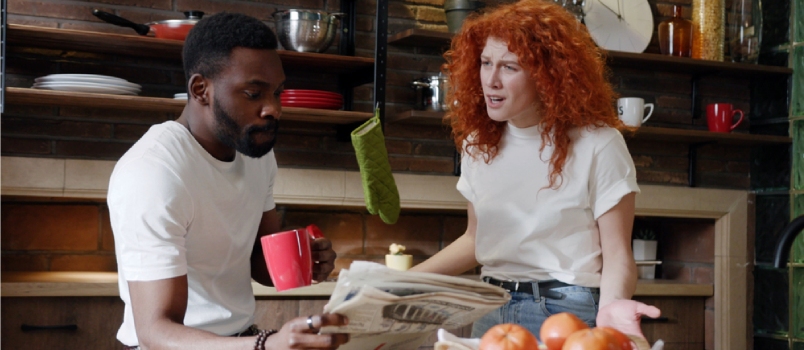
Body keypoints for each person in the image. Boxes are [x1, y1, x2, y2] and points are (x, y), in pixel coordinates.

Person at [409, 0, 660, 341]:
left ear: (548, 76)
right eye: (485, 63)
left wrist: (610, 312)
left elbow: (617, 254)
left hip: (564, 311)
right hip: (492, 310)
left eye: (509, 67)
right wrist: (400, 283)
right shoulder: (478, 144)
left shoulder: (599, 143)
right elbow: (475, 240)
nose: (491, 80)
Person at [107, 12, 349, 350]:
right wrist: (266, 345)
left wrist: (307, 262)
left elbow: (259, 265)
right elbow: (156, 330)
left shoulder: (258, 156)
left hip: (241, 340)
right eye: (253, 93)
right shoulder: (153, 172)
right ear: (200, 89)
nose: (273, 109)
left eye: (277, 93)